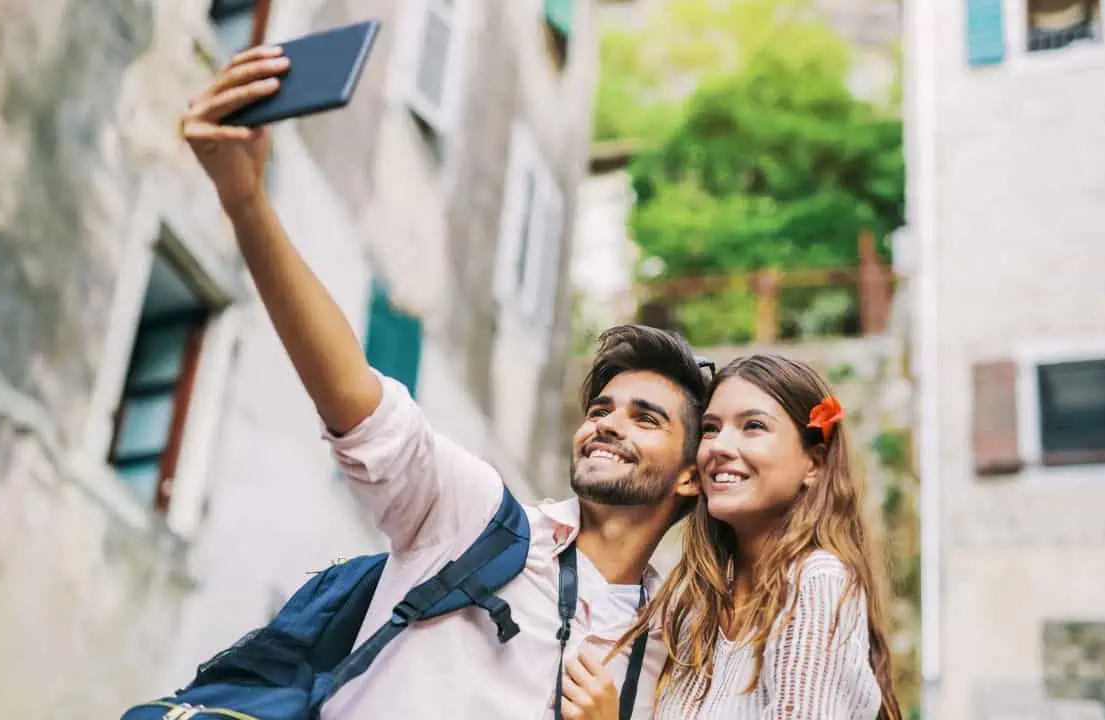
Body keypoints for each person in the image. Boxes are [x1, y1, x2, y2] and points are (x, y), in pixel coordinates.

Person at [179, 46, 709, 719]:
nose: (607, 422)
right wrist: (247, 200)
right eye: (601, 407)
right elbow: (351, 395)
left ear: (691, 476)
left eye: (646, 418)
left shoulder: (675, 652)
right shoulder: (474, 518)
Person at [561, 354, 903, 719]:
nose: (719, 447)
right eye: (710, 428)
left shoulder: (816, 582)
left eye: (753, 426)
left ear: (814, 464)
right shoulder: (694, 607)